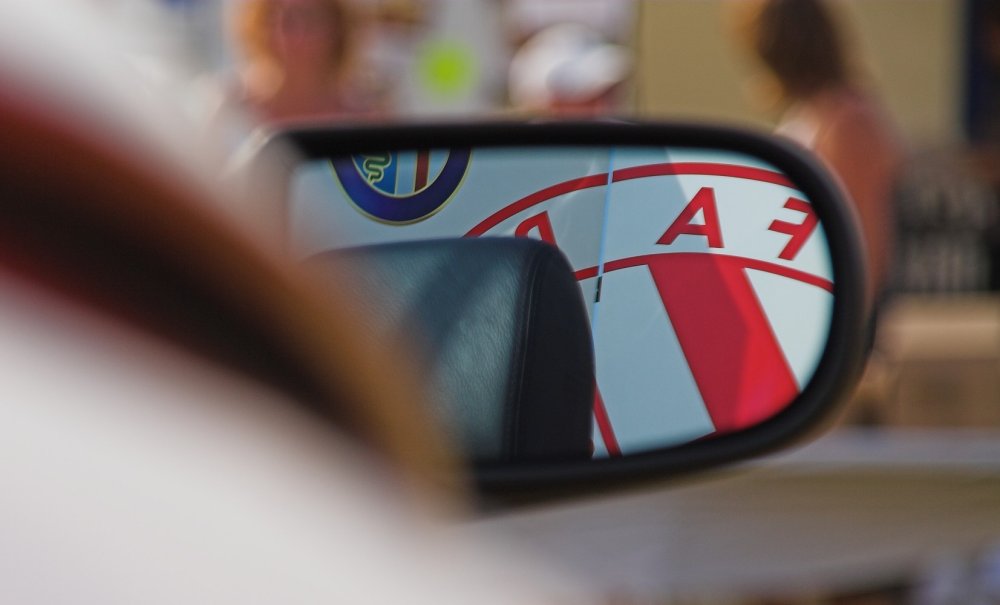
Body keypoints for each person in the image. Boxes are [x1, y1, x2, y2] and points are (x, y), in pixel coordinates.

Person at [736, 0, 905, 302]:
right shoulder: (811, 112)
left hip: (837, 303)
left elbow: (867, 233)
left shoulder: (849, 119)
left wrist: (851, 322)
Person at [231, 0, 375, 124]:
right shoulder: (233, 110)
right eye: (288, 21)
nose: (300, 36)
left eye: (312, 19)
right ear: (262, 27)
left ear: (338, 29)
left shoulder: (365, 117)